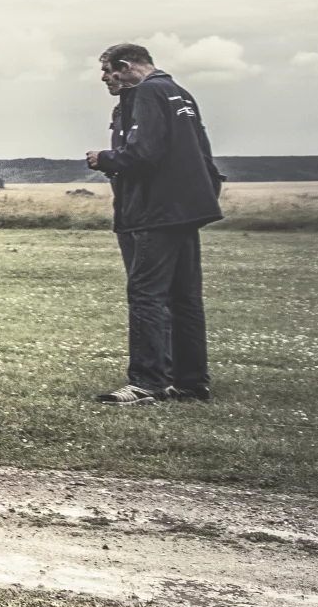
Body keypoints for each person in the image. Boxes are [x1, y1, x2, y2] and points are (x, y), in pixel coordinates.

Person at [87, 43, 223, 404]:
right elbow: (203, 155)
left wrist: (105, 158)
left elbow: (144, 153)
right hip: (185, 210)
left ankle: (147, 382)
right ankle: (191, 382)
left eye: (107, 72)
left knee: (146, 294)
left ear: (126, 66)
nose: (104, 79)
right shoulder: (179, 93)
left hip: (151, 212)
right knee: (185, 299)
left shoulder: (145, 93)